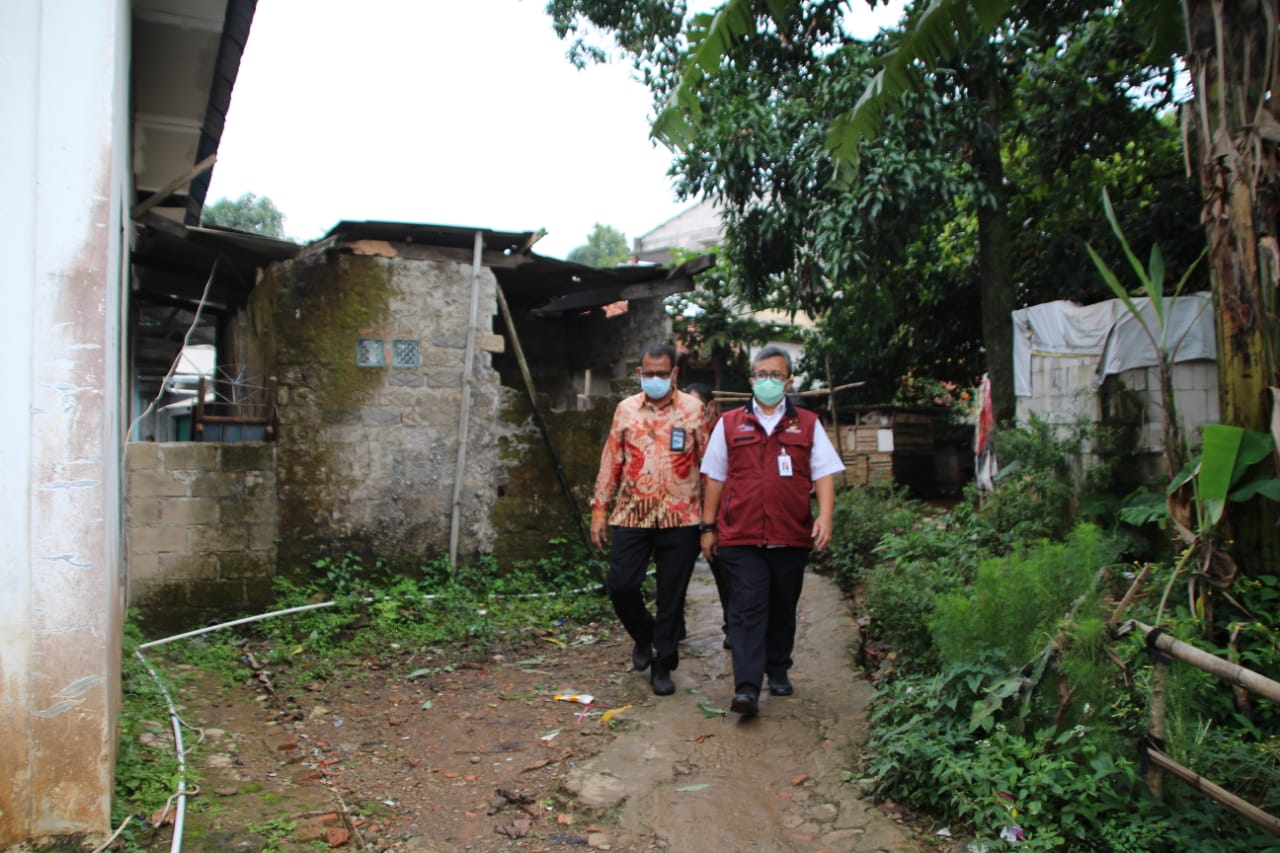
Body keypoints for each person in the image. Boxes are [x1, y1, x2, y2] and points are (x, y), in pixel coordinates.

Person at [698, 346, 845, 718]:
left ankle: (777, 667)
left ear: (788, 381)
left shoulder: (807, 423)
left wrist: (824, 517)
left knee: (782, 605)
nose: (767, 381)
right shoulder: (729, 423)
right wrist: (708, 526)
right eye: (761, 375)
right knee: (746, 609)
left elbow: (823, 473)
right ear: (751, 380)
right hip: (741, 535)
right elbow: (714, 477)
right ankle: (746, 688)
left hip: (790, 534)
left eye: (775, 375)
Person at [591, 343, 708, 695]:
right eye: (648, 373)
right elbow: (611, 461)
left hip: (682, 518)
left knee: (671, 596)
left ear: (674, 374)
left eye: (661, 373)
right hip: (632, 515)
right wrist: (600, 510)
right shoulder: (625, 410)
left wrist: (712, 521)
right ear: (640, 373)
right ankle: (645, 635)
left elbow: (710, 467)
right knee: (622, 585)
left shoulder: (694, 411)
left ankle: (663, 664)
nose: (654, 379)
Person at [684, 382, 732, 649]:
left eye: (696, 407)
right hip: (685, 513)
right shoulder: (678, 429)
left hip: (716, 516)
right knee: (676, 572)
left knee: (724, 572)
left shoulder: (726, 431)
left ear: (711, 408)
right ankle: (674, 627)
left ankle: (732, 627)